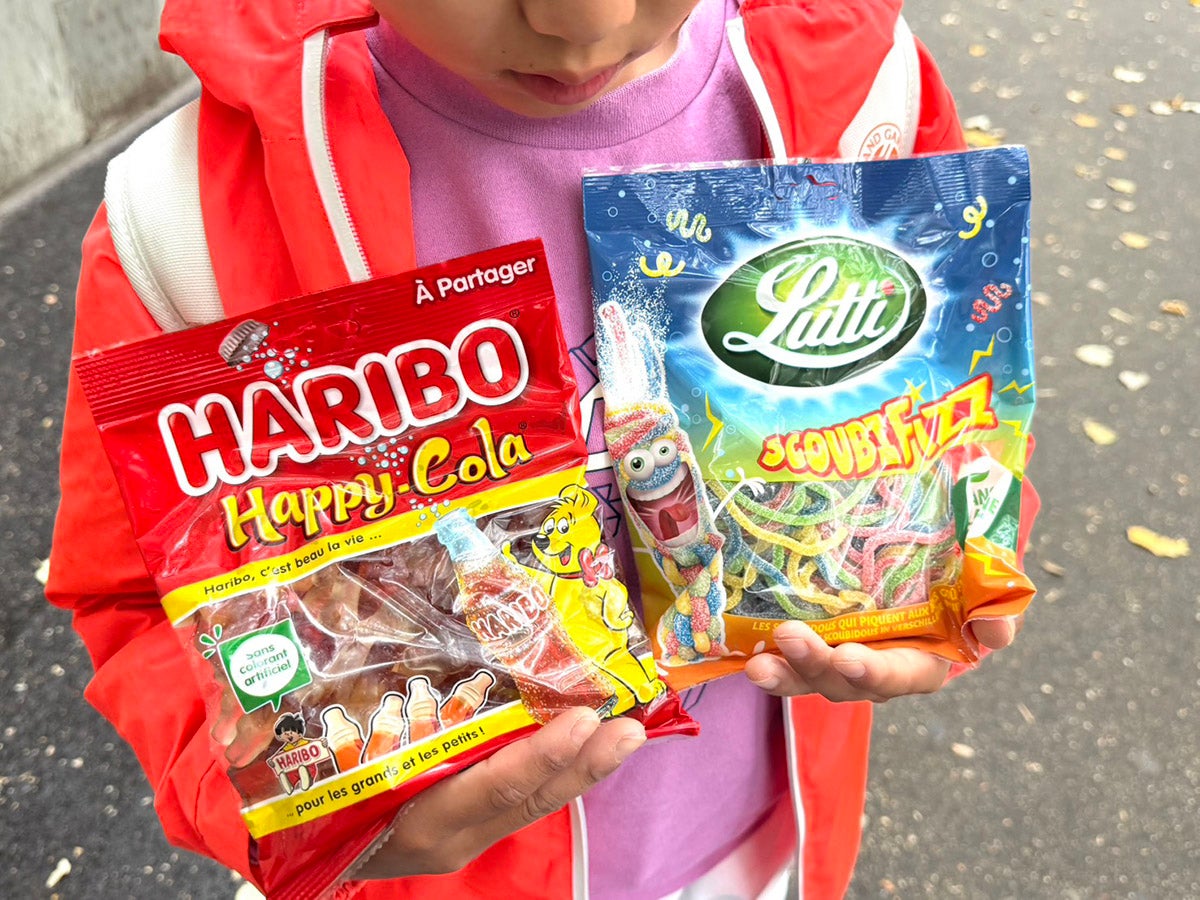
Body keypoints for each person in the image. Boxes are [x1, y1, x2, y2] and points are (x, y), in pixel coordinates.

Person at [46, 1, 1031, 897]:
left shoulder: (859, 89)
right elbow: (139, 609)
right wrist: (320, 827)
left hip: (770, 845)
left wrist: (951, 590)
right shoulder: (184, 222)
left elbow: (964, 425)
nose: (585, 19)